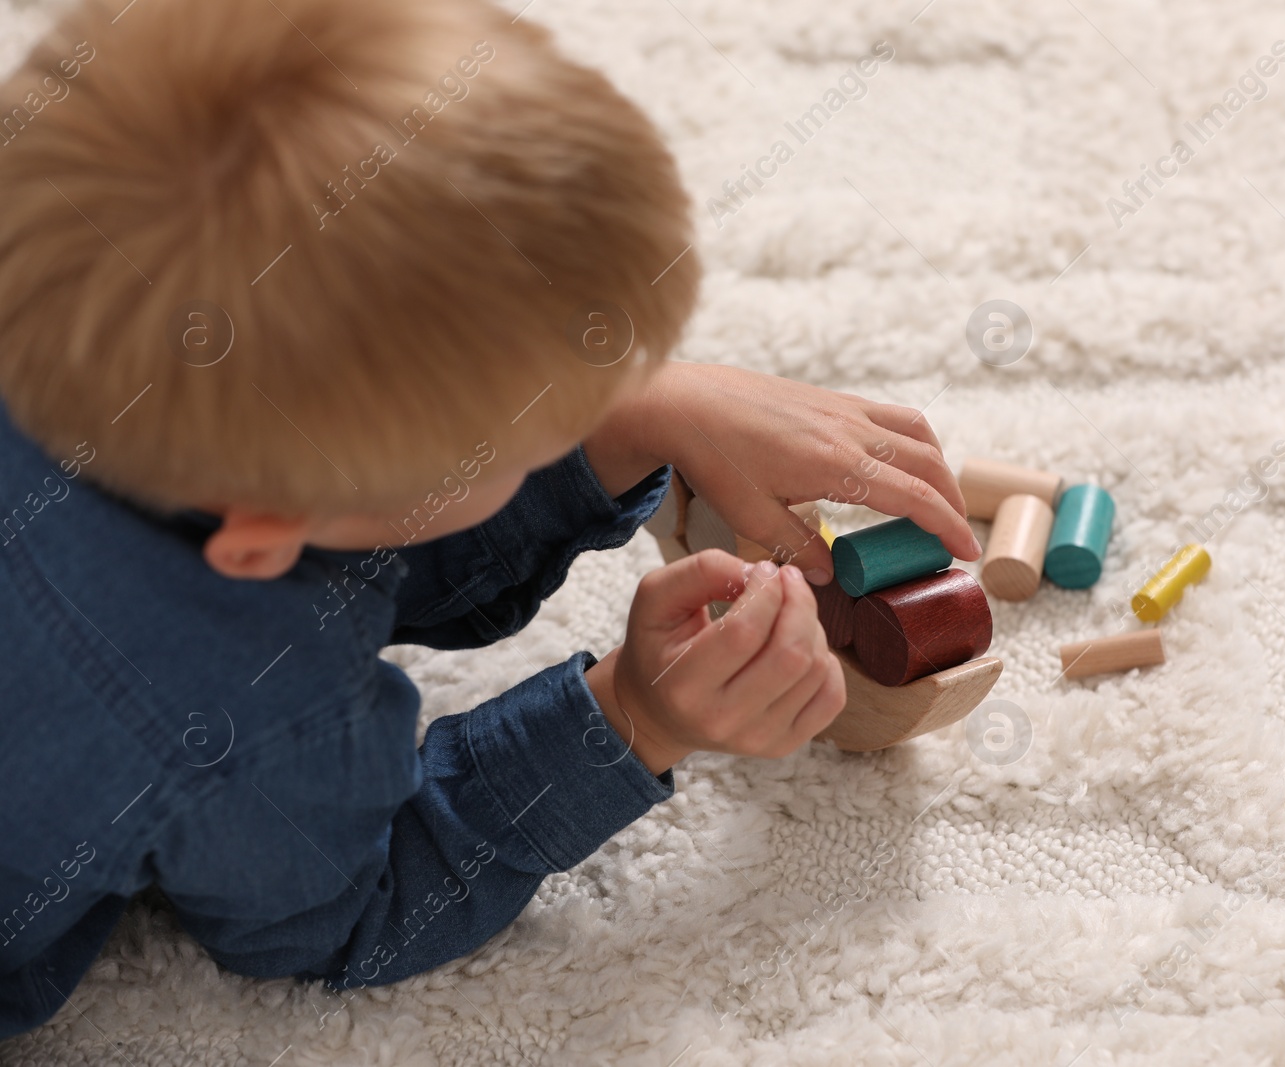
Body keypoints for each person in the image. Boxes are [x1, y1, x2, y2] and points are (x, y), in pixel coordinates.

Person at [0, 0, 979, 1037]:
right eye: (526, 429)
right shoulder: (238, 711)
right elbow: (349, 913)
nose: (571, 404)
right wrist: (630, 717)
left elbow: (358, 519)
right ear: (260, 535)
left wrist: (639, 409)